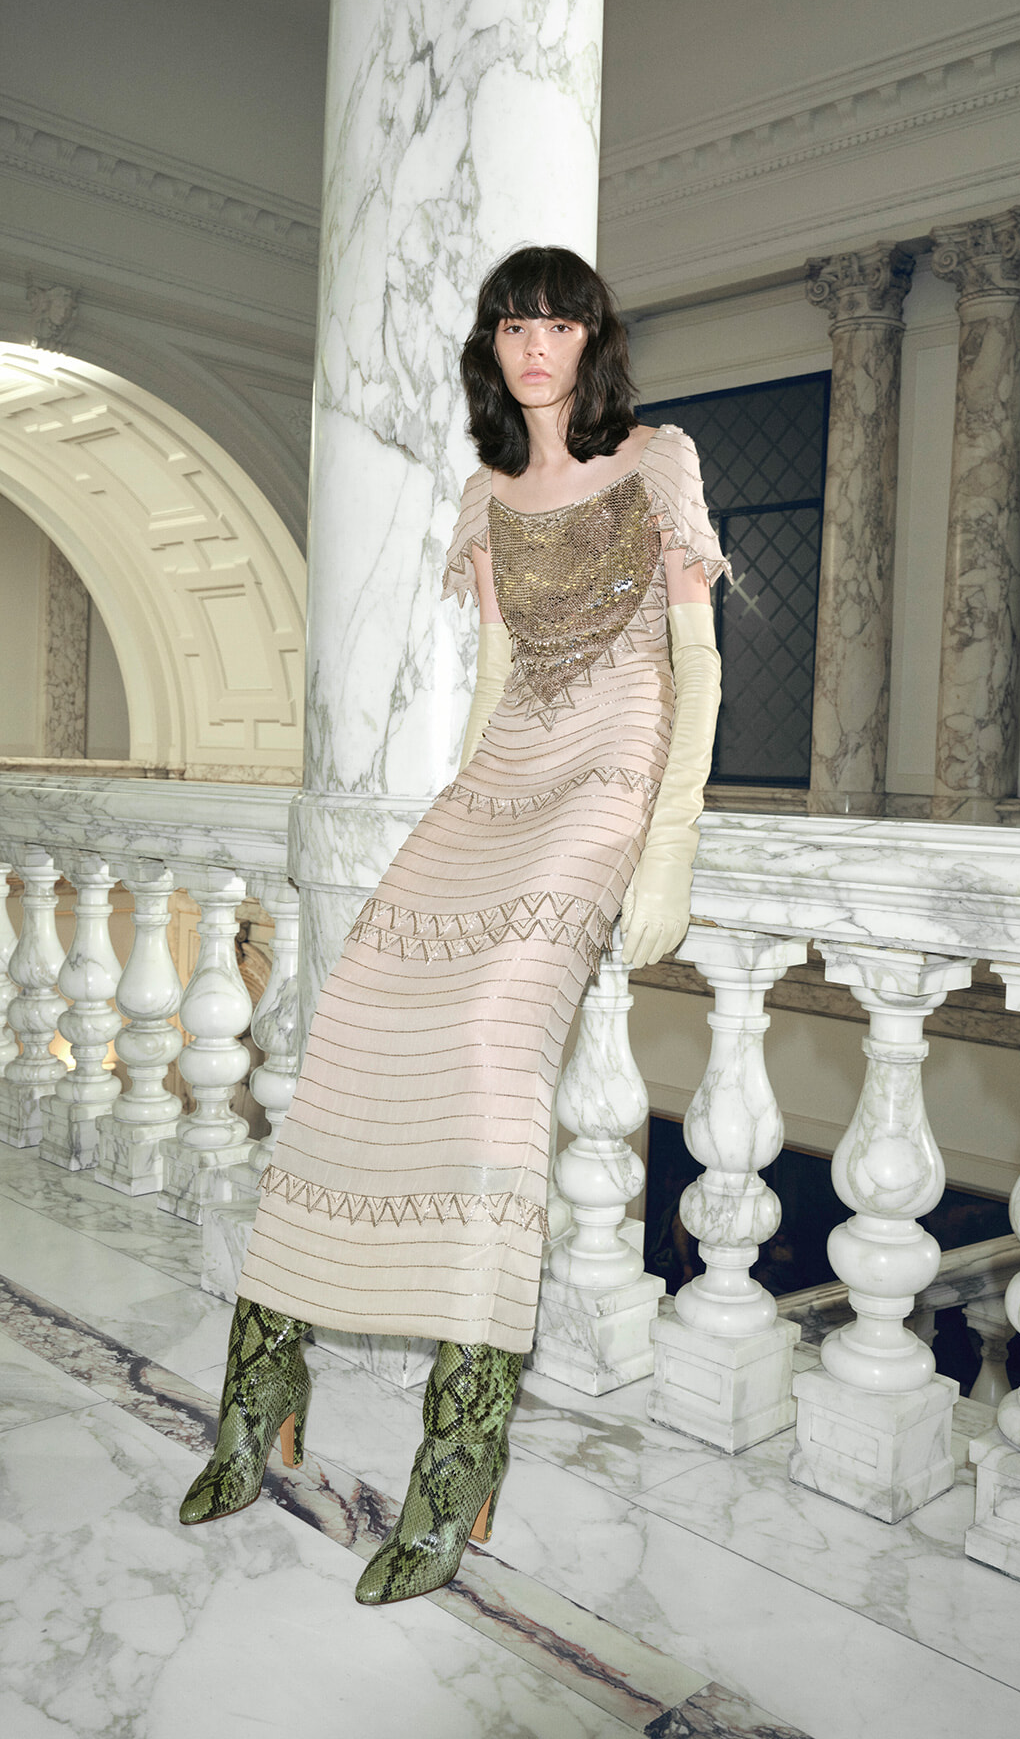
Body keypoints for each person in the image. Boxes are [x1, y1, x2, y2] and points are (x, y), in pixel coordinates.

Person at [178, 245, 729, 1604]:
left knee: (488, 1052)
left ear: (594, 337)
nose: (534, 342)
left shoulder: (658, 460)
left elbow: (698, 661)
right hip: (508, 770)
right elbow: (493, 682)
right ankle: (260, 1389)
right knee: (356, 1018)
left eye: (557, 320)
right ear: (492, 348)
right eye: (512, 323)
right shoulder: (488, 497)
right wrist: (457, 820)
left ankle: (461, 1452)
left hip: (611, 765)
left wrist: (669, 843)